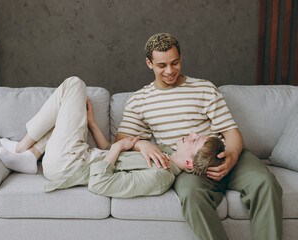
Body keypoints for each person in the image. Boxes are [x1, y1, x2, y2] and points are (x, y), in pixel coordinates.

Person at [115, 33, 282, 239]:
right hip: (191, 169)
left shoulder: (204, 88)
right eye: (161, 65)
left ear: (181, 57)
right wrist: (141, 145)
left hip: (223, 153)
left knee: (265, 183)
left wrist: (231, 156)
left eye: (175, 63)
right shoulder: (139, 100)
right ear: (149, 63)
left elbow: (231, 132)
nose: (169, 71)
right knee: (191, 195)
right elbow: (120, 141)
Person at [0, 76, 225, 198]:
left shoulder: (160, 177)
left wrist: (120, 147)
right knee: (68, 108)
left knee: (74, 84)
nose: (192, 133)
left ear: (188, 163)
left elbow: (100, 183)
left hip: (69, 165)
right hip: (81, 156)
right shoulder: (163, 152)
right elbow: (110, 150)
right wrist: (93, 124)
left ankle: (21, 148)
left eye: (196, 140)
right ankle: (31, 153)